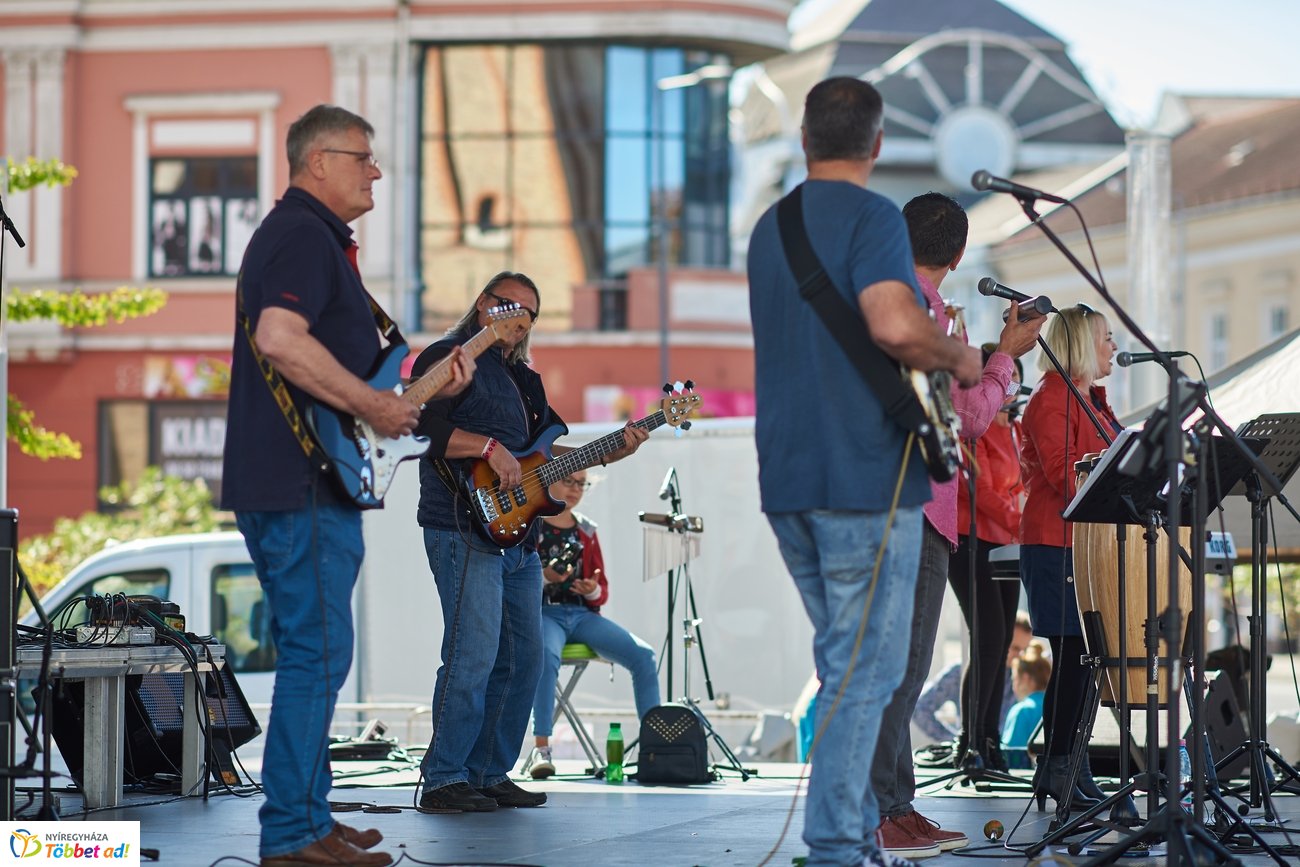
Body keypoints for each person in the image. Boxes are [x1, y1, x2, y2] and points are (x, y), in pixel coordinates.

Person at [223, 104, 473, 867]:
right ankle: (292, 835)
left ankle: (310, 819)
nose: (376, 171)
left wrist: (419, 388)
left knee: (317, 650)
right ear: (317, 162)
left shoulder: (314, 240)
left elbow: (362, 374)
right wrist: (375, 405)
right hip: (298, 478)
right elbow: (279, 337)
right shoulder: (302, 234)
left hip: (302, 476)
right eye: (363, 157)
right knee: (318, 654)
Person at [747, 77, 983, 867]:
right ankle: (837, 845)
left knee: (843, 660)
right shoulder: (877, 217)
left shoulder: (767, 227)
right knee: (869, 669)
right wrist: (963, 353)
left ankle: (843, 837)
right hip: (864, 478)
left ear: (806, 138)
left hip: (786, 477)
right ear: (877, 145)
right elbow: (891, 324)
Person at [410, 272, 647, 813]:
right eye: (508, 304)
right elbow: (419, 426)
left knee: (523, 660)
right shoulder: (449, 358)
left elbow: (545, 461)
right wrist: (488, 447)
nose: (519, 316)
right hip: (460, 525)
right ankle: (444, 778)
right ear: (482, 304)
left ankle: (489, 772)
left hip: (521, 536)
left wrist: (613, 449)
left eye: (530, 312)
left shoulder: (526, 381)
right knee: (472, 655)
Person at [869, 193, 1044, 858]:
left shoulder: (894, 303)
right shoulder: (923, 312)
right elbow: (970, 417)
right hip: (914, 507)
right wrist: (1005, 353)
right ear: (960, 255)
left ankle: (893, 805)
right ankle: (885, 810)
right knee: (902, 665)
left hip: (895, 504)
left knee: (898, 666)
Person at [1019, 302, 1120, 810]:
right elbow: (1064, 476)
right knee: (1076, 662)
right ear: (1081, 344)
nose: (1114, 348)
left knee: (1086, 662)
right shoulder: (1052, 399)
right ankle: (1059, 768)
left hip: (1084, 545)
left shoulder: (1092, 400)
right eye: (1105, 338)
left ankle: (1066, 766)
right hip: (1055, 543)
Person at [523, 469, 661, 779]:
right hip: (545, 613)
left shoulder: (586, 529)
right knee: (544, 655)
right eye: (568, 481)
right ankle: (541, 749)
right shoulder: (532, 522)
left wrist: (592, 589)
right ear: (549, 480)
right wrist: (545, 577)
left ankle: (655, 748)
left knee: (644, 656)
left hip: (582, 614)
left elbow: (602, 586)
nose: (575, 489)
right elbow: (516, 580)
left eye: (581, 484)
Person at [946, 350, 1028, 771]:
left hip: (1004, 542)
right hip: (969, 535)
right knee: (990, 637)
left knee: (999, 646)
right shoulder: (972, 428)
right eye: (1004, 377)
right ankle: (971, 740)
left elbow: (1017, 485)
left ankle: (990, 739)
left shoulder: (1012, 430)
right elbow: (972, 485)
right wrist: (1019, 520)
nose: (1011, 387)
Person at [912, 611, 1033, 748]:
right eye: (1015, 648)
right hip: (972, 755)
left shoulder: (1024, 677)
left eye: (1025, 650)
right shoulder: (960, 672)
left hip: (1010, 759)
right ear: (999, 639)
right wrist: (955, 740)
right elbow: (920, 708)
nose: (1020, 656)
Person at [1002, 640, 1052, 769]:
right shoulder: (1058, 708)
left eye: (1014, 679)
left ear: (1024, 678)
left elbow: (1011, 755)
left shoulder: (1022, 711)